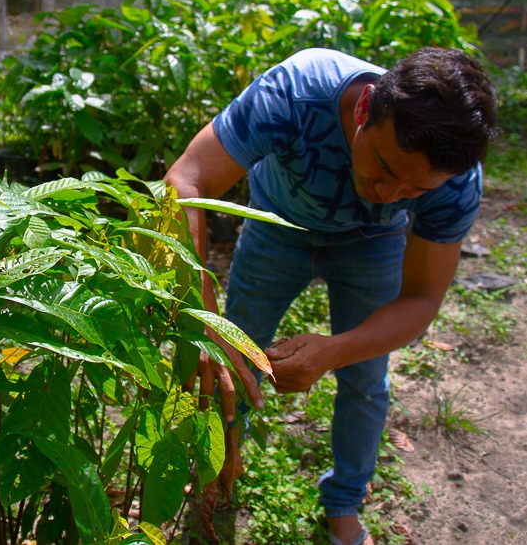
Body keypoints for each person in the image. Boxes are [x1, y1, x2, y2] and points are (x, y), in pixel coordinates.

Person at [164, 47, 498, 545]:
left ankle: (345, 500)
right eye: (384, 166)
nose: (388, 194)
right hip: (276, 224)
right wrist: (204, 311)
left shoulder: (455, 181)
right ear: (364, 109)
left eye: (413, 191)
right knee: (231, 358)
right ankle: (215, 473)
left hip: (372, 245)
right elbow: (184, 179)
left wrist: (337, 349)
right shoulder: (298, 93)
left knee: (365, 378)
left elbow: (423, 301)